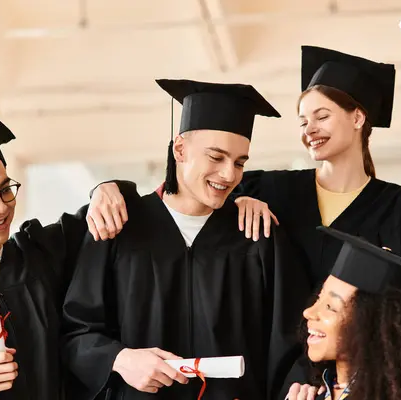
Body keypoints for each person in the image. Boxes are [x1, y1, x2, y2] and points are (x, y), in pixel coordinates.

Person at [62, 80, 309, 400]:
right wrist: (120, 359)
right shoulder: (119, 227)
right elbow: (76, 332)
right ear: (180, 149)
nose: (229, 175)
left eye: (239, 163)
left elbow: (292, 340)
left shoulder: (255, 235)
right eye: (216, 157)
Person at [229, 45, 401, 291]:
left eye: (322, 116)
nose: (309, 129)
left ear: (358, 117)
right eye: (303, 122)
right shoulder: (269, 193)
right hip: (278, 349)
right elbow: (201, 207)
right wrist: (236, 201)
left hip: (365, 348)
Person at [0, 106, 130, 399]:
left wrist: (105, 188)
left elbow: (97, 219)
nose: (0, 206)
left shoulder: (39, 252)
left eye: (5, 189)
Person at [288, 227, 401, 400]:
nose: (309, 312)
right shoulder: (311, 394)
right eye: (319, 298)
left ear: (371, 326)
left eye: (330, 306)